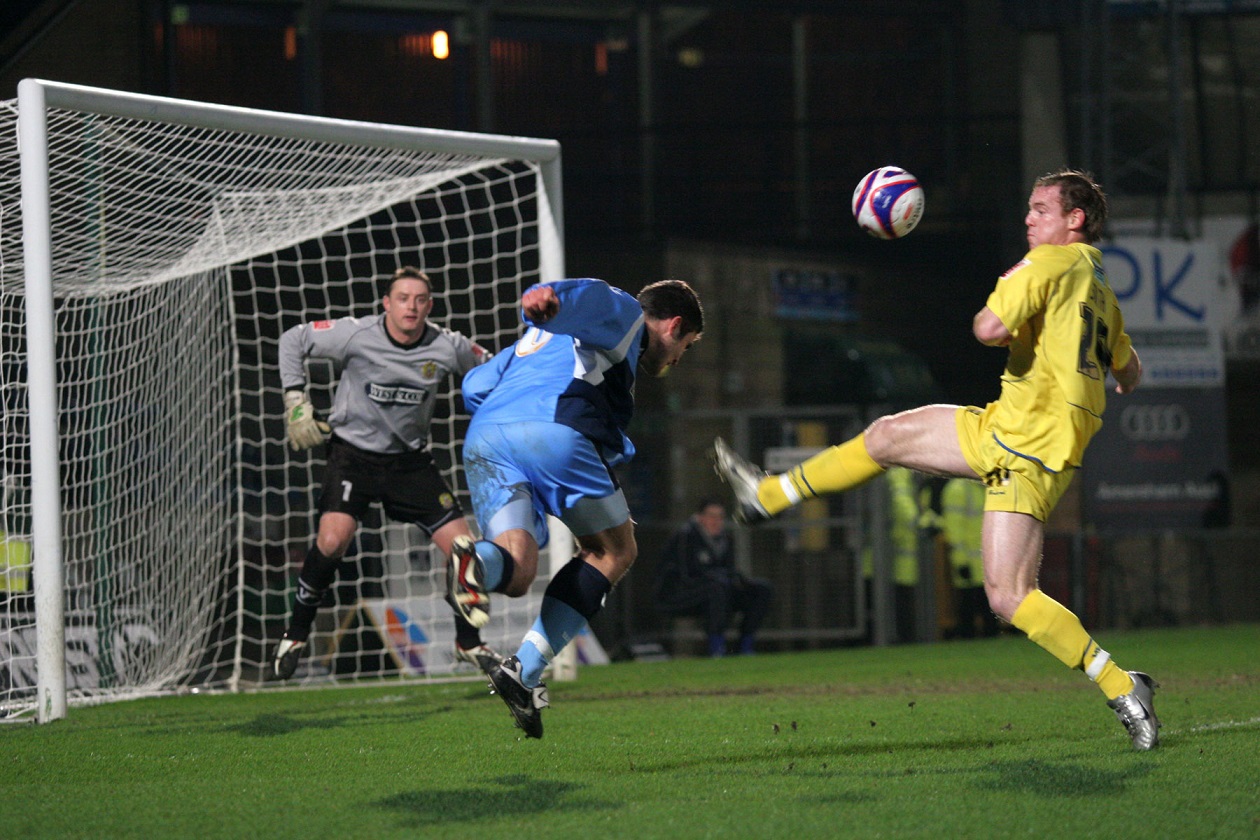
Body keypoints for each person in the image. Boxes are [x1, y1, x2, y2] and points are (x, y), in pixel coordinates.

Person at [714, 170, 1161, 750]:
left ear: (1074, 220)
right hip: (1029, 442)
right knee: (894, 444)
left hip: (1020, 440)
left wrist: (1008, 308)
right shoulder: (1100, 288)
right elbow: (1130, 372)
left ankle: (1123, 683)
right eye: (1029, 209)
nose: (1029, 219)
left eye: (1041, 209)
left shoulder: (1051, 264)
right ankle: (768, 494)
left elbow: (987, 326)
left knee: (1003, 589)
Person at [447, 277, 703, 738]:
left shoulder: (534, 342)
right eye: (687, 344)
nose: (681, 357)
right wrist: (549, 300)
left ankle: (475, 561)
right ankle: (524, 670)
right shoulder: (628, 318)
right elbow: (596, 297)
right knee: (613, 551)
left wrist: (538, 336)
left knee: (518, 570)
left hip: (486, 436)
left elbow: (473, 386)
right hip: (552, 430)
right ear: (674, 325)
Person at [272, 266, 500, 680]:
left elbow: (494, 369)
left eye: (419, 300)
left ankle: (468, 643)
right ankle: (296, 633)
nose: (411, 307)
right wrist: (295, 400)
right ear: (387, 304)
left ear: (429, 306)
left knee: (465, 548)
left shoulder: (449, 346)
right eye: (402, 298)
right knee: (332, 540)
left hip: (409, 463)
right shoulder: (357, 333)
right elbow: (293, 338)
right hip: (352, 456)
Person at [654, 498, 773, 657]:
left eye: (720, 517)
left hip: (719, 590)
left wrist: (737, 581)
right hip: (679, 594)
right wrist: (719, 578)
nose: (716, 521)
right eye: (711, 516)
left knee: (761, 589)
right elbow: (686, 576)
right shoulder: (686, 537)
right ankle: (716, 648)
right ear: (700, 517)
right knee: (717, 588)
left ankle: (745, 646)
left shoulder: (725, 539)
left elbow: (729, 571)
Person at [939, 476, 998, 639]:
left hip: (985, 562)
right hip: (970, 562)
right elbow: (954, 530)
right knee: (968, 608)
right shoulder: (958, 490)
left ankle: (988, 640)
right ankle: (968, 639)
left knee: (987, 610)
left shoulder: (984, 487)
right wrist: (960, 561)